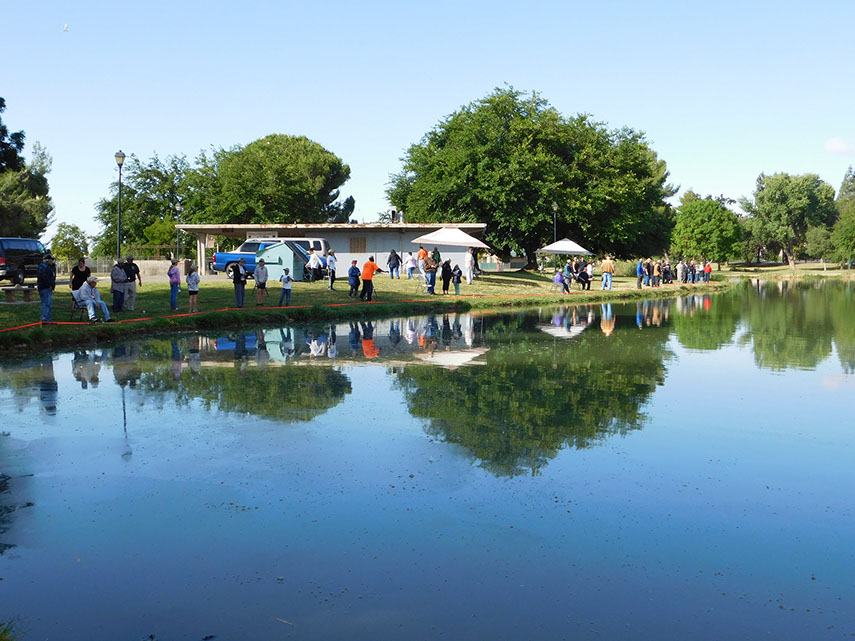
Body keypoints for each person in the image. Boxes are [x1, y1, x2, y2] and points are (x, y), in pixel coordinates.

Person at [37, 253, 56, 322]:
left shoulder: (45, 266)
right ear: (47, 260)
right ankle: (45, 319)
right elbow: (45, 278)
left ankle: (47, 319)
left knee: (47, 303)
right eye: (52, 260)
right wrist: (49, 286)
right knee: (46, 304)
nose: (53, 262)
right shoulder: (45, 267)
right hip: (45, 288)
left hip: (44, 288)